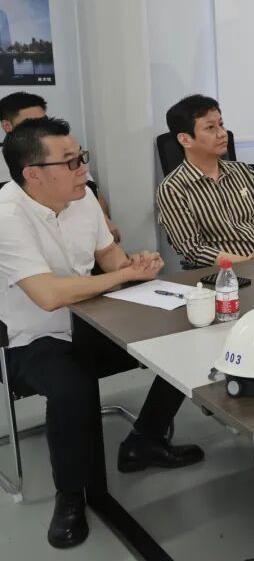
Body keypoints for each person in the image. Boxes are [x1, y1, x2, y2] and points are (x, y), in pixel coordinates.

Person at [0, 117, 204, 550]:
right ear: (33, 174)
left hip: (91, 319)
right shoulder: (7, 216)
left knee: (183, 335)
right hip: (30, 336)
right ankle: (72, 496)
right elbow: (48, 295)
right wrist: (120, 277)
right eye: (71, 162)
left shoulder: (83, 198)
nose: (84, 170)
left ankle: (145, 440)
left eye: (82, 158)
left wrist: (133, 266)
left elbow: (109, 254)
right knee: (72, 387)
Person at [156, 95, 254, 268]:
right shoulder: (172, 188)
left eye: (221, 124)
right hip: (227, 273)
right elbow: (194, 250)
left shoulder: (242, 171)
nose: (222, 133)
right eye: (210, 128)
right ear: (185, 139)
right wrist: (251, 263)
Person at [1, 91, 120, 242]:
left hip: (73, 231)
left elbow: (91, 191)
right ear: (7, 126)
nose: (41, 128)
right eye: (30, 122)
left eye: (43, 120)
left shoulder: (62, 152)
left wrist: (102, 219)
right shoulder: (8, 211)